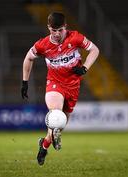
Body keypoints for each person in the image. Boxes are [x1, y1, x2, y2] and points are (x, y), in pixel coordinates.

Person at [21, 12, 99, 166]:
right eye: (53, 30)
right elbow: (28, 58)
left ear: (65, 27)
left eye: (60, 30)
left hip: (73, 85)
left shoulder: (75, 37)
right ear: (48, 28)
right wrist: (25, 82)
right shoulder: (42, 45)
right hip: (54, 83)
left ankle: (44, 145)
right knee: (56, 115)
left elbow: (95, 50)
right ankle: (52, 136)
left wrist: (85, 68)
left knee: (60, 125)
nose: (56, 34)